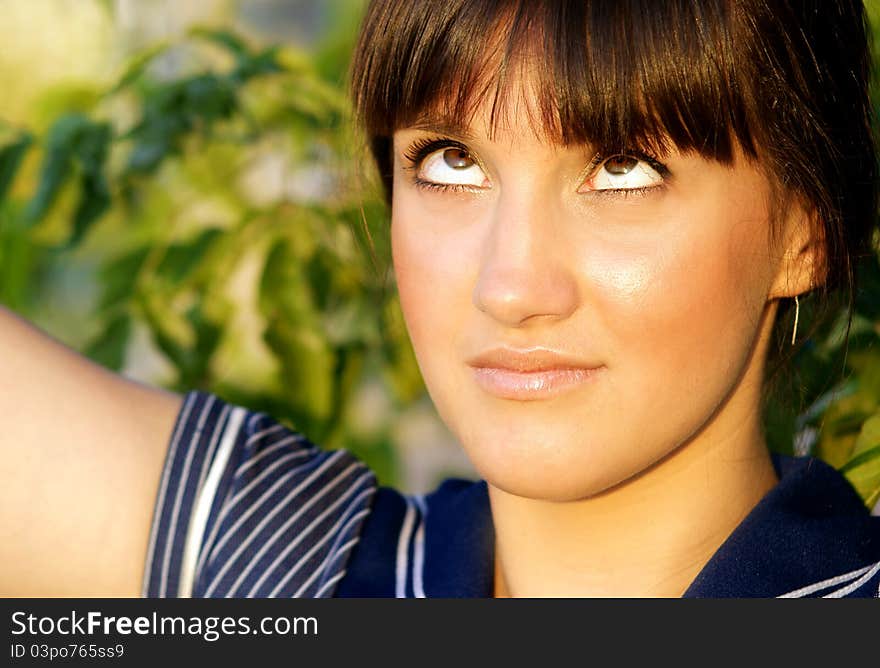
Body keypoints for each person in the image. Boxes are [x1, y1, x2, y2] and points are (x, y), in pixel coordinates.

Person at [2, 0, 879, 598]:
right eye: (451, 163)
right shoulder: (314, 575)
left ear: (804, 230)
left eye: (622, 169)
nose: (511, 287)